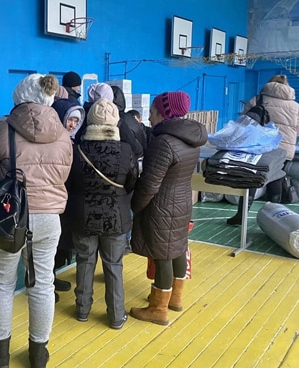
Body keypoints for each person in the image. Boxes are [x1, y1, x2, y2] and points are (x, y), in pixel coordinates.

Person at [0, 74, 72, 368]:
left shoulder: (5, 129)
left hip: (9, 217)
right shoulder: (63, 132)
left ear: (19, 96)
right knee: (43, 284)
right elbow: (64, 175)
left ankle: (1, 353)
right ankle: (38, 353)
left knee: (1, 284)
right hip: (48, 218)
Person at [129, 91, 208, 326]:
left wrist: (135, 206)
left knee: (162, 253)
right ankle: (176, 298)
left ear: (164, 113)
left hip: (161, 205)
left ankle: (158, 309)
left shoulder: (163, 142)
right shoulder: (191, 139)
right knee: (178, 247)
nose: (149, 117)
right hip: (183, 200)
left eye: (152, 112)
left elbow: (150, 184)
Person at [68, 98, 137, 328]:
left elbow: (70, 183)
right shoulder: (126, 150)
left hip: (83, 216)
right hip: (115, 217)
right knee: (114, 265)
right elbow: (131, 183)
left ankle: (82, 310)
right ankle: (116, 316)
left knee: (85, 262)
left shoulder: (77, 150)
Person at [227, 74, 299, 225]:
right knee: (277, 177)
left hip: (259, 146)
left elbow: (244, 122)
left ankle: (241, 215)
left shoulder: (258, 99)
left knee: (252, 178)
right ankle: (275, 218)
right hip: (284, 148)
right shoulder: (295, 106)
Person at [51, 97, 86, 300]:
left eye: (75, 120)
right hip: (53, 201)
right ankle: (43, 284)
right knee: (50, 246)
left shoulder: (72, 143)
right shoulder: (53, 143)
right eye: (69, 119)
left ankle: (52, 277)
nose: (72, 124)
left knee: (61, 244)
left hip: (66, 201)